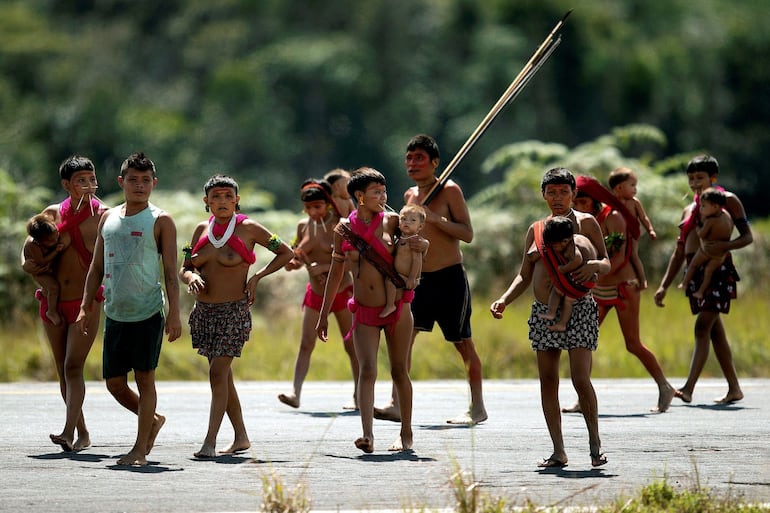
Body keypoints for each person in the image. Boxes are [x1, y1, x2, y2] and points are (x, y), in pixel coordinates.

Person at [490, 167, 610, 468]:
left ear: (574, 194)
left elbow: (606, 263)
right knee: (548, 380)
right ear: (543, 194)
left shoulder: (588, 223)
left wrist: (593, 264)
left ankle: (595, 443)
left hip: (580, 308)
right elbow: (524, 275)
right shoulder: (537, 230)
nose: (557, 198)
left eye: (563, 192)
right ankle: (559, 450)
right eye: (551, 192)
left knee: (581, 379)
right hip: (544, 312)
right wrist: (504, 300)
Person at [76, 152, 181, 466]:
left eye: (145, 180)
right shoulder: (108, 218)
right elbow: (95, 267)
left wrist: (175, 315)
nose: (139, 185)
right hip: (116, 311)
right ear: (121, 182)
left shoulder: (161, 220)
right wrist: (84, 306)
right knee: (114, 383)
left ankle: (139, 450)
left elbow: (171, 274)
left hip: (148, 311)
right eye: (133, 180)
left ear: (154, 183)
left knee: (145, 378)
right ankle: (152, 420)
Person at [375, 134, 488, 425]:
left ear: (435, 162)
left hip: (449, 278)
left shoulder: (449, 190)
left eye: (419, 158)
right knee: (403, 339)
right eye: (409, 158)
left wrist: (435, 218)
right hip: (417, 279)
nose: (412, 164)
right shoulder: (410, 196)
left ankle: (477, 406)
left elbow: (467, 233)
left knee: (463, 343)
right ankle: (396, 403)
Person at [181, 174, 293, 458]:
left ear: (237, 200)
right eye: (216, 197)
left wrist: (258, 276)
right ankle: (241, 437)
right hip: (204, 313)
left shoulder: (250, 228)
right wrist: (191, 275)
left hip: (234, 311)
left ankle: (210, 443)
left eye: (228, 196)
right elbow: (183, 267)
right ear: (206, 201)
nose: (222, 201)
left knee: (217, 373)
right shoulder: (199, 230)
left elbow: (285, 252)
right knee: (223, 377)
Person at [316, 167, 421, 453]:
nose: (382, 196)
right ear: (359, 197)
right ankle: (367, 435)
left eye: (384, 191)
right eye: (376, 192)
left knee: (400, 370)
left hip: (397, 307)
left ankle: (406, 433)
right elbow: (337, 275)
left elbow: (417, 240)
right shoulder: (343, 229)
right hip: (363, 311)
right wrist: (323, 314)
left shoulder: (393, 222)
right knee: (368, 370)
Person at [21, 155, 106, 452]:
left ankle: (67, 432)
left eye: (90, 177)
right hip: (52, 300)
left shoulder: (105, 215)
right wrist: (34, 270)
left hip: (87, 302)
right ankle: (81, 433)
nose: (86, 184)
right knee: (62, 370)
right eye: (79, 179)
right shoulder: (52, 213)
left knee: (73, 367)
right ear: (66, 184)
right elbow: (28, 249)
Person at [569, 175, 675, 413]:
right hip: (598, 287)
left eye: (582, 202)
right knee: (583, 341)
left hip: (623, 286)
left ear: (594, 200)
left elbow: (620, 255)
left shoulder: (613, 216)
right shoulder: (582, 220)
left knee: (632, 343)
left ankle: (664, 386)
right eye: (576, 203)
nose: (578, 207)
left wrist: (595, 273)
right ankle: (582, 397)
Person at [654, 154, 752, 404]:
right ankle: (734, 389)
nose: (695, 183)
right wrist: (664, 285)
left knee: (702, 327)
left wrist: (722, 246)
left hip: (717, 270)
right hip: (694, 272)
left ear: (713, 178)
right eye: (691, 179)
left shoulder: (727, 201)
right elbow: (680, 250)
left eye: (700, 178)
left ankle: (688, 388)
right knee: (714, 332)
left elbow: (747, 237)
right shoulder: (690, 208)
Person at [278, 179, 358, 410]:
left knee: (351, 345)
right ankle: (295, 392)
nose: (313, 212)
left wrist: (323, 268)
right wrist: (293, 263)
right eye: (309, 208)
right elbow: (295, 256)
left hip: (341, 291)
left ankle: (358, 394)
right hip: (315, 293)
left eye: (318, 207)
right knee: (306, 343)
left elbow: (352, 262)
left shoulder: (341, 225)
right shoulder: (303, 226)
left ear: (328, 204)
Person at [536, 216, 596, 332]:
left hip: (581, 281)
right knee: (562, 294)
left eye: (554, 245)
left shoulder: (572, 246)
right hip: (589, 280)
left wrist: (563, 269)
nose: (554, 248)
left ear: (565, 241)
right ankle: (554, 316)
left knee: (560, 292)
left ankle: (558, 319)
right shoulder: (579, 238)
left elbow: (577, 259)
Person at [677, 187, 733, 299]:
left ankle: (684, 283)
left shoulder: (711, 221)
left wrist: (697, 226)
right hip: (719, 255)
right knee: (709, 272)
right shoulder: (727, 216)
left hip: (707, 250)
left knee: (693, 265)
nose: (701, 209)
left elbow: (701, 234)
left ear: (715, 206)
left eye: (703, 206)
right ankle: (701, 292)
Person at [608, 167, 656, 289]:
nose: (635, 189)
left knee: (633, 256)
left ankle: (642, 280)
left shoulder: (634, 202)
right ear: (619, 188)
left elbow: (643, 217)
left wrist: (650, 229)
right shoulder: (612, 203)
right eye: (632, 185)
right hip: (618, 236)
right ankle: (614, 279)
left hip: (631, 234)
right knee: (615, 255)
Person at [380, 204, 427, 318]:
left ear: (420, 227)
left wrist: (412, 278)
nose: (407, 222)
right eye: (403, 219)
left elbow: (417, 261)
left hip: (407, 277)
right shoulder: (401, 238)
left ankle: (390, 305)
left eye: (412, 220)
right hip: (400, 274)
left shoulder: (415, 241)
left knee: (389, 281)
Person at [23, 214, 68, 326]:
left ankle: (45, 294)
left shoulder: (49, 227)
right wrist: (56, 251)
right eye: (50, 241)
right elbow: (42, 262)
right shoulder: (32, 244)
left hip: (48, 267)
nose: (55, 240)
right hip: (39, 270)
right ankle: (51, 312)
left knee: (50, 289)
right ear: (38, 241)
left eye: (56, 235)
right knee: (53, 287)